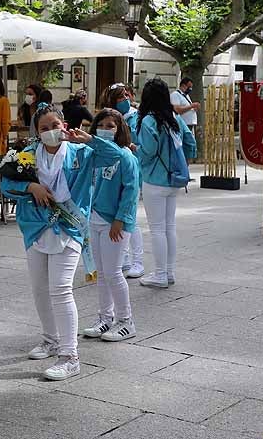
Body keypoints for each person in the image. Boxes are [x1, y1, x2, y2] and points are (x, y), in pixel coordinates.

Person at [1, 102, 123, 381]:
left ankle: (70, 356)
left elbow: (116, 157)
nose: (50, 132)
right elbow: (6, 183)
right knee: (39, 288)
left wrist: (90, 139)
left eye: (55, 126)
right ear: (37, 132)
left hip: (69, 227)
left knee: (60, 289)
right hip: (35, 227)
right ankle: (50, 338)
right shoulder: (27, 154)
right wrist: (29, 186)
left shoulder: (82, 151)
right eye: (44, 128)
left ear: (64, 123)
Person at [81, 108, 140, 343]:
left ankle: (126, 321)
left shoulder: (126, 156)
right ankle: (106, 317)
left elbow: (131, 190)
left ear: (120, 130)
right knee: (102, 273)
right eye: (101, 125)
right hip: (94, 219)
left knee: (114, 272)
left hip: (114, 222)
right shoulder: (94, 154)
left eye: (111, 126)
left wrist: (120, 219)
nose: (105, 130)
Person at [135, 78, 197, 287]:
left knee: (157, 229)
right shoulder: (174, 118)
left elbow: (148, 152)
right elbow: (190, 142)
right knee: (169, 227)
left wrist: (136, 152)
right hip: (174, 180)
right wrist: (184, 162)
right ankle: (169, 272)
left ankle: (160, 274)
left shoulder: (148, 121)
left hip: (154, 179)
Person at [98, 83, 144, 278]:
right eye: (120, 96)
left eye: (126, 95)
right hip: (108, 173)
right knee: (113, 213)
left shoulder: (136, 116)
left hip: (129, 169)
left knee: (129, 215)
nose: (126, 98)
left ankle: (138, 260)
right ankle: (122, 257)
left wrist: (133, 146)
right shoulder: (105, 118)